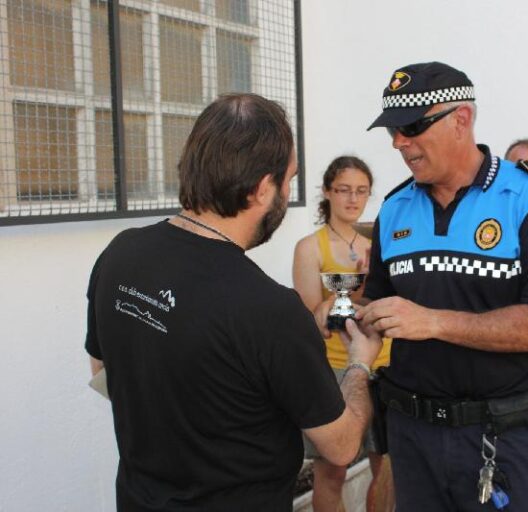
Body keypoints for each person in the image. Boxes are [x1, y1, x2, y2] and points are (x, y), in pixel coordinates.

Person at [84, 94, 382, 511]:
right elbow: (342, 445)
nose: (287, 191)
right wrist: (360, 364)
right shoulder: (272, 311)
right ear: (263, 189)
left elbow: (102, 369)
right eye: (288, 179)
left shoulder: (121, 254)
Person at [359, 61, 528, 510]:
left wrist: (434, 322)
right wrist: (344, 311)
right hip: (413, 438)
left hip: (505, 439)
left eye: (413, 126)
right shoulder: (395, 208)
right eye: (393, 131)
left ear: (462, 119)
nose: (401, 141)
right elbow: (377, 304)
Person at [292, 156, 394, 512]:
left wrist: (365, 287)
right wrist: (355, 289)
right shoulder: (310, 247)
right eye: (344, 190)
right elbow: (311, 318)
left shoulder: (382, 244)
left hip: (384, 366)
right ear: (327, 192)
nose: (353, 199)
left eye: (361, 191)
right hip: (333, 370)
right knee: (331, 472)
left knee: (386, 467)